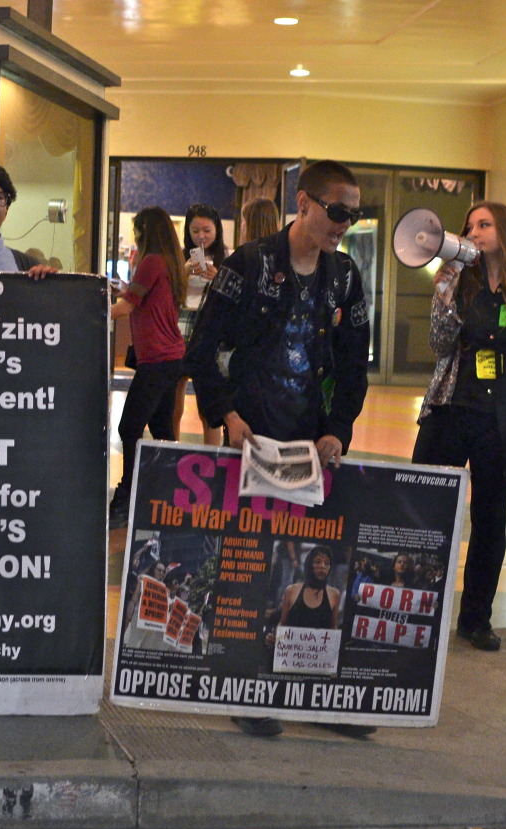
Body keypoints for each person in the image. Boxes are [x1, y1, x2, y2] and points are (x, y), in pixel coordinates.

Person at [185, 160, 371, 737]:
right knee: (250, 565)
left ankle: (315, 692)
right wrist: (227, 415)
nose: (345, 223)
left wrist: (338, 428)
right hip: (253, 438)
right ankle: (247, 687)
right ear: (305, 201)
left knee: (312, 567)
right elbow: (203, 347)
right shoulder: (249, 263)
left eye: (354, 215)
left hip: (311, 443)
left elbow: (355, 359)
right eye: (338, 211)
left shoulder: (344, 276)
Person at [411, 202, 506, 653]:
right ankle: (417, 616)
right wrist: (445, 292)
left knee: (490, 521)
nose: (474, 232)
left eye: (484, 224)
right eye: (470, 225)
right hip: (452, 412)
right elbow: (438, 344)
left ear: (504, 232)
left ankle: (476, 619)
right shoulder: (461, 282)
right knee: (428, 514)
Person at [107, 207, 189, 529]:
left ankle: (126, 497)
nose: (136, 235)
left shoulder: (152, 260)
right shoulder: (168, 261)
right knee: (162, 431)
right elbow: (137, 297)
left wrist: (89, 310)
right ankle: (169, 496)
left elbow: (126, 307)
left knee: (129, 428)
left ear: (145, 230)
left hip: (156, 360)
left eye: (137, 229)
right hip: (171, 358)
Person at [175, 204, 229, 445]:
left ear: (217, 229)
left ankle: (212, 454)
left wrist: (219, 278)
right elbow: (170, 295)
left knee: (209, 403)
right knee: (174, 402)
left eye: (206, 230)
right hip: (180, 326)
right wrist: (182, 274)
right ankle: (172, 449)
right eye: (195, 230)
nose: (201, 236)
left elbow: (236, 300)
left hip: (209, 331)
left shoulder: (228, 259)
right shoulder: (179, 257)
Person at [277, 546, 341, 630]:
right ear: (309, 565)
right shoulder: (291, 591)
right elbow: (282, 623)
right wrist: (274, 636)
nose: (322, 566)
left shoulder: (334, 594)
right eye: (317, 562)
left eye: (327, 563)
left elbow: (333, 628)